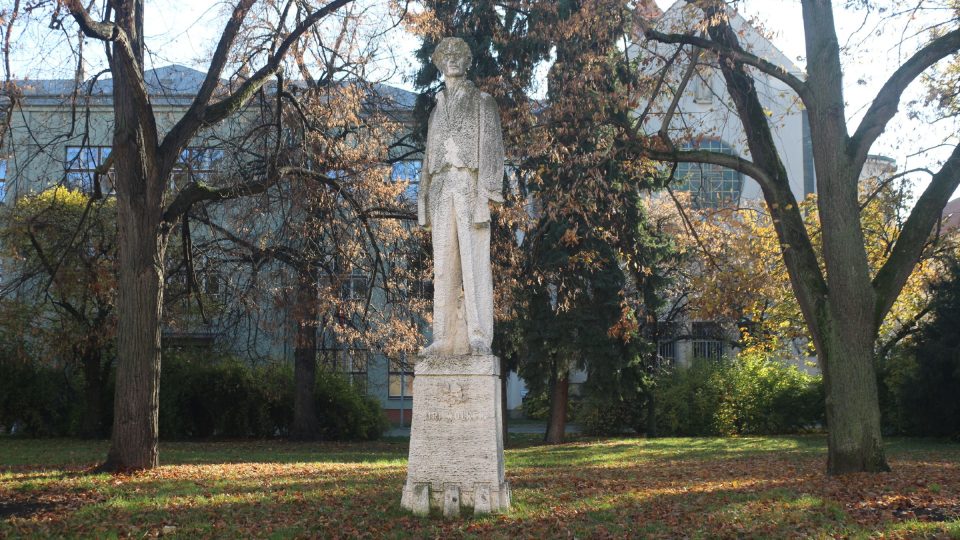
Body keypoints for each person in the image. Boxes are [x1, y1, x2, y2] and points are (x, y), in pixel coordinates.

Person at [418, 37, 504, 356]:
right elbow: (428, 161)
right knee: (443, 266)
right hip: (441, 188)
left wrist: (487, 193)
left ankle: (479, 334)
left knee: (474, 262)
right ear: (439, 63)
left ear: (467, 62)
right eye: (446, 55)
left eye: (458, 55)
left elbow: (493, 150)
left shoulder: (482, 102)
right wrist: (423, 203)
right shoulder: (436, 110)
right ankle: (442, 336)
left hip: (469, 184)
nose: (452, 59)